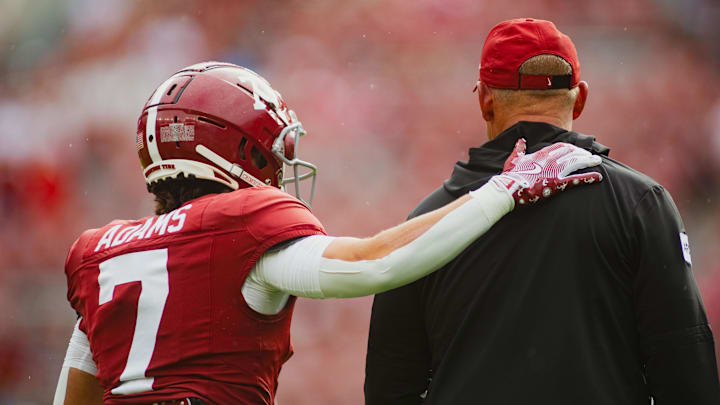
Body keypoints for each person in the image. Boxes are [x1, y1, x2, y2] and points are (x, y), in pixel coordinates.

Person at [52, 61, 602, 405]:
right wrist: (504, 190)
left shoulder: (98, 252)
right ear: (238, 150)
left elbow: (75, 395)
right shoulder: (243, 226)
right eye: (272, 150)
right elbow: (373, 263)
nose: (279, 166)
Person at [364, 18, 720, 405]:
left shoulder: (426, 221)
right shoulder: (641, 204)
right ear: (580, 98)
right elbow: (686, 373)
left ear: (485, 100)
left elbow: (389, 389)